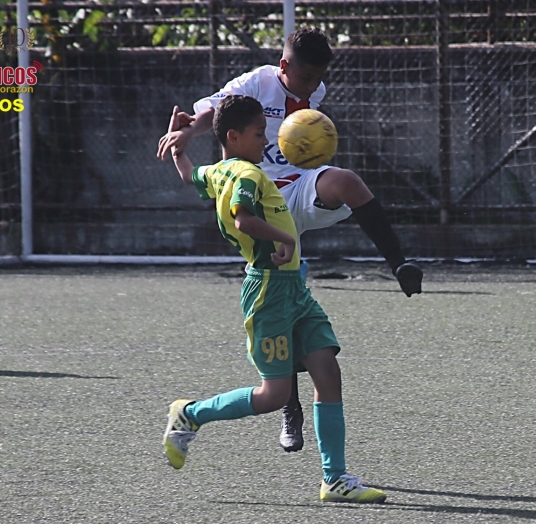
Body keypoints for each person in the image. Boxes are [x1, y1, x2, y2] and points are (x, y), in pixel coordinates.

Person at [157, 26, 422, 454]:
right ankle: (287, 407)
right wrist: (187, 136)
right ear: (284, 67)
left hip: (296, 188)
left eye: (318, 79)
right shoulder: (255, 87)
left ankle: (399, 262)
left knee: (347, 182)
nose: (313, 87)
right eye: (305, 78)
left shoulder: (313, 95)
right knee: (286, 299)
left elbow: (194, 173)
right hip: (265, 203)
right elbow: (216, 112)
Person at [163, 94, 387, 504]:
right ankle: (189, 414)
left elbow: (190, 176)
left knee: (327, 371)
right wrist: (287, 237)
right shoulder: (247, 175)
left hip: (292, 289)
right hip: (268, 290)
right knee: (275, 396)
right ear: (234, 136)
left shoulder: (220, 170)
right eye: (258, 133)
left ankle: (334, 478)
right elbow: (242, 218)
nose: (266, 141)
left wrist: (180, 146)